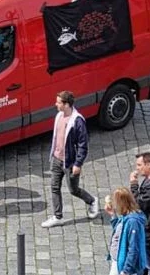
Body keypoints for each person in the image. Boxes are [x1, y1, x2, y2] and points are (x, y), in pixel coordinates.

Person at [42, 90, 99, 227]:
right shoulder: (59, 116)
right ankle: (58, 216)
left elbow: (83, 144)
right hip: (56, 159)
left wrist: (78, 163)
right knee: (54, 187)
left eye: (58, 102)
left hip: (70, 162)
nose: (55, 104)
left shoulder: (77, 121)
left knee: (73, 190)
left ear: (66, 104)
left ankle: (91, 201)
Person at [104, 187, 148, 275]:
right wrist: (113, 215)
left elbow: (134, 248)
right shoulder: (125, 216)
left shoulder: (133, 222)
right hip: (118, 260)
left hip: (125, 266)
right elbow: (120, 232)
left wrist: (126, 271)